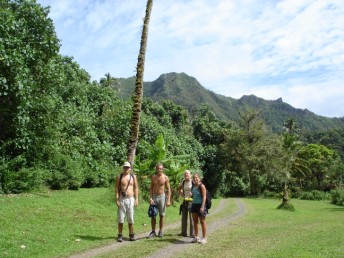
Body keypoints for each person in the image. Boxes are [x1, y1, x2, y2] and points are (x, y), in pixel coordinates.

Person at [115, 161, 138, 242]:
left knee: (130, 218)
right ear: (123, 168)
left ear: (130, 168)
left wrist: (137, 199)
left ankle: (131, 234)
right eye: (125, 167)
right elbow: (117, 189)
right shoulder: (119, 177)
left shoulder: (133, 176)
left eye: (128, 167)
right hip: (122, 199)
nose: (126, 169)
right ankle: (120, 235)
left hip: (131, 199)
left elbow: (136, 188)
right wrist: (117, 199)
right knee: (120, 218)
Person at [148, 163, 171, 238]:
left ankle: (161, 231)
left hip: (162, 196)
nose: (159, 170)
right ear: (156, 169)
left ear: (163, 169)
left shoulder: (165, 177)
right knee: (153, 214)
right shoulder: (153, 177)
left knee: (161, 215)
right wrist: (151, 198)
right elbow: (151, 188)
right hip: (154, 196)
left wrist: (168, 200)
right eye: (158, 168)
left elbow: (168, 189)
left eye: (161, 169)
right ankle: (153, 231)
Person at [190, 173, 207, 244]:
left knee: (202, 222)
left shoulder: (202, 186)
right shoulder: (193, 186)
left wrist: (202, 206)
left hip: (200, 205)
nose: (195, 179)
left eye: (196, 177)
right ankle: (196, 237)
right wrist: (191, 196)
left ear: (199, 178)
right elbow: (193, 196)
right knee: (195, 221)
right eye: (193, 178)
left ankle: (204, 238)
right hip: (194, 205)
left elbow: (204, 197)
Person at [178, 170, 194, 237]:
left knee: (191, 217)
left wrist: (192, 193)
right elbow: (178, 188)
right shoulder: (183, 182)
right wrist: (180, 191)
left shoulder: (193, 182)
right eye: (185, 174)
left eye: (187, 174)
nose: (186, 175)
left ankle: (192, 233)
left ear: (190, 175)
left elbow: (198, 189)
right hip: (185, 201)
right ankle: (184, 233)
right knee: (184, 217)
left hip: (192, 201)